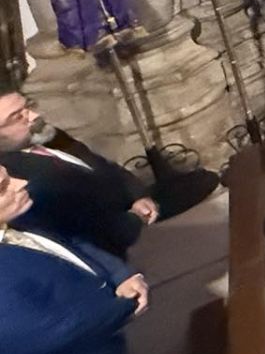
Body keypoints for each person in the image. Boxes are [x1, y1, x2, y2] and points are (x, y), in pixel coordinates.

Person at [0, 163, 147, 354]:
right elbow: (48, 332)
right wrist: (123, 307)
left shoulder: (20, 220)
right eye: (3, 187)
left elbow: (71, 244)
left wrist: (122, 275)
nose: (21, 183)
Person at [0, 92, 158, 258]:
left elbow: (103, 167)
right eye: (17, 117)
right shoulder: (13, 177)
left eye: (29, 106)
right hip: (110, 256)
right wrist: (135, 219)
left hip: (142, 233)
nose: (35, 116)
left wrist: (139, 196)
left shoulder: (52, 137)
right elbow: (81, 224)